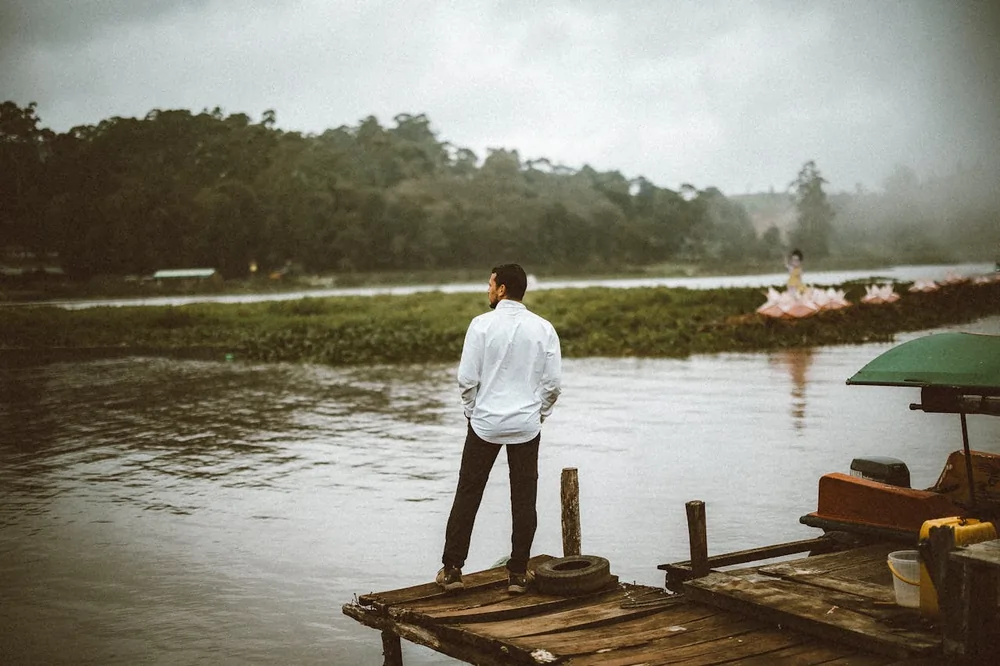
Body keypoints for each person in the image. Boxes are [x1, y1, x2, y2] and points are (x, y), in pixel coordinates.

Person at [436, 263, 562, 595]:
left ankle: (452, 570)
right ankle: (518, 574)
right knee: (524, 498)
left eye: (490, 284)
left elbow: (466, 380)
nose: (487, 290)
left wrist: (472, 413)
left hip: (484, 424)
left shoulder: (480, 326)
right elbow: (552, 385)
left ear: (502, 289)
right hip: (525, 425)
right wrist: (538, 416)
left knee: (468, 494)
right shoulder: (544, 328)